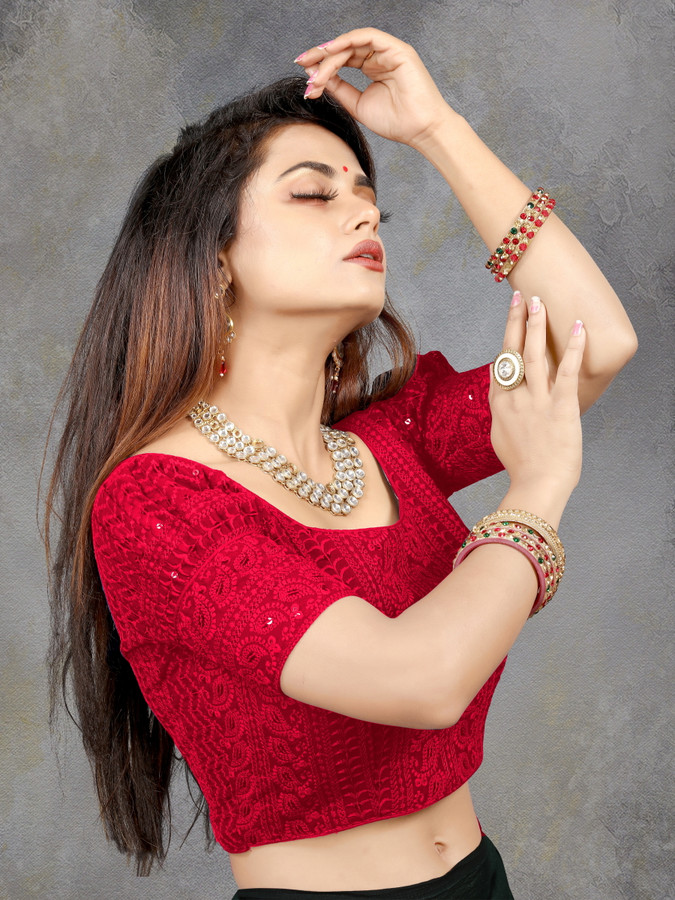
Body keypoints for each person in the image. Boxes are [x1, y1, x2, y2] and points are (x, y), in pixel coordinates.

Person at [46, 27, 637, 900]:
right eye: (313, 194)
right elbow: (420, 680)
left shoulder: (391, 441)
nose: (363, 213)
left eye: (368, 199)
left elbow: (596, 341)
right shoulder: (155, 502)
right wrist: (539, 490)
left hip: (481, 878)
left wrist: (436, 129)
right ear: (213, 257)